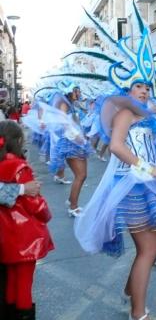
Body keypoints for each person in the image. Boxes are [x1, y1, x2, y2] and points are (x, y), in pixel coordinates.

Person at [73, 3, 156, 320]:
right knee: (147, 250)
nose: (144, 92)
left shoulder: (146, 114)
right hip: (133, 187)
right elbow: (117, 147)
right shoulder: (125, 113)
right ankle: (138, 313)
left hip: (153, 185)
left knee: (155, 250)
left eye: (147, 86)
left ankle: (132, 291)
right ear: (126, 88)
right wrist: (149, 168)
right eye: (138, 86)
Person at [0, 120, 53, 320]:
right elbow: (34, 203)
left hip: (7, 234)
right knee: (24, 283)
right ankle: (24, 315)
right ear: (18, 141)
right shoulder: (19, 166)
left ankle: (11, 315)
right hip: (24, 235)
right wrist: (46, 213)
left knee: (12, 280)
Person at [45, 82, 93, 217]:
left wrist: (83, 135)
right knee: (81, 175)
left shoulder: (72, 105)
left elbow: (76, 122)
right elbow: (64, 124)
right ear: (70, 90)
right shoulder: (64, 104)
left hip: (78, 142)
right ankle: (73, 207)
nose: (79, 92)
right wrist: (77, 137)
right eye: (76, 90)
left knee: (82, 175)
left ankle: (72, 201)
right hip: (70, 143)